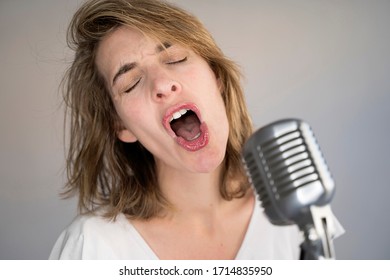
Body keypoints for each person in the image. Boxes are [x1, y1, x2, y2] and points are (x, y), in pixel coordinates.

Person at [50, 0, 342, 260]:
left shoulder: (299, 214)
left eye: (175, 58)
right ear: (121, 125)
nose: (162, 84)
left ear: (216, 77)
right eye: (131, 83)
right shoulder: (94, 247)